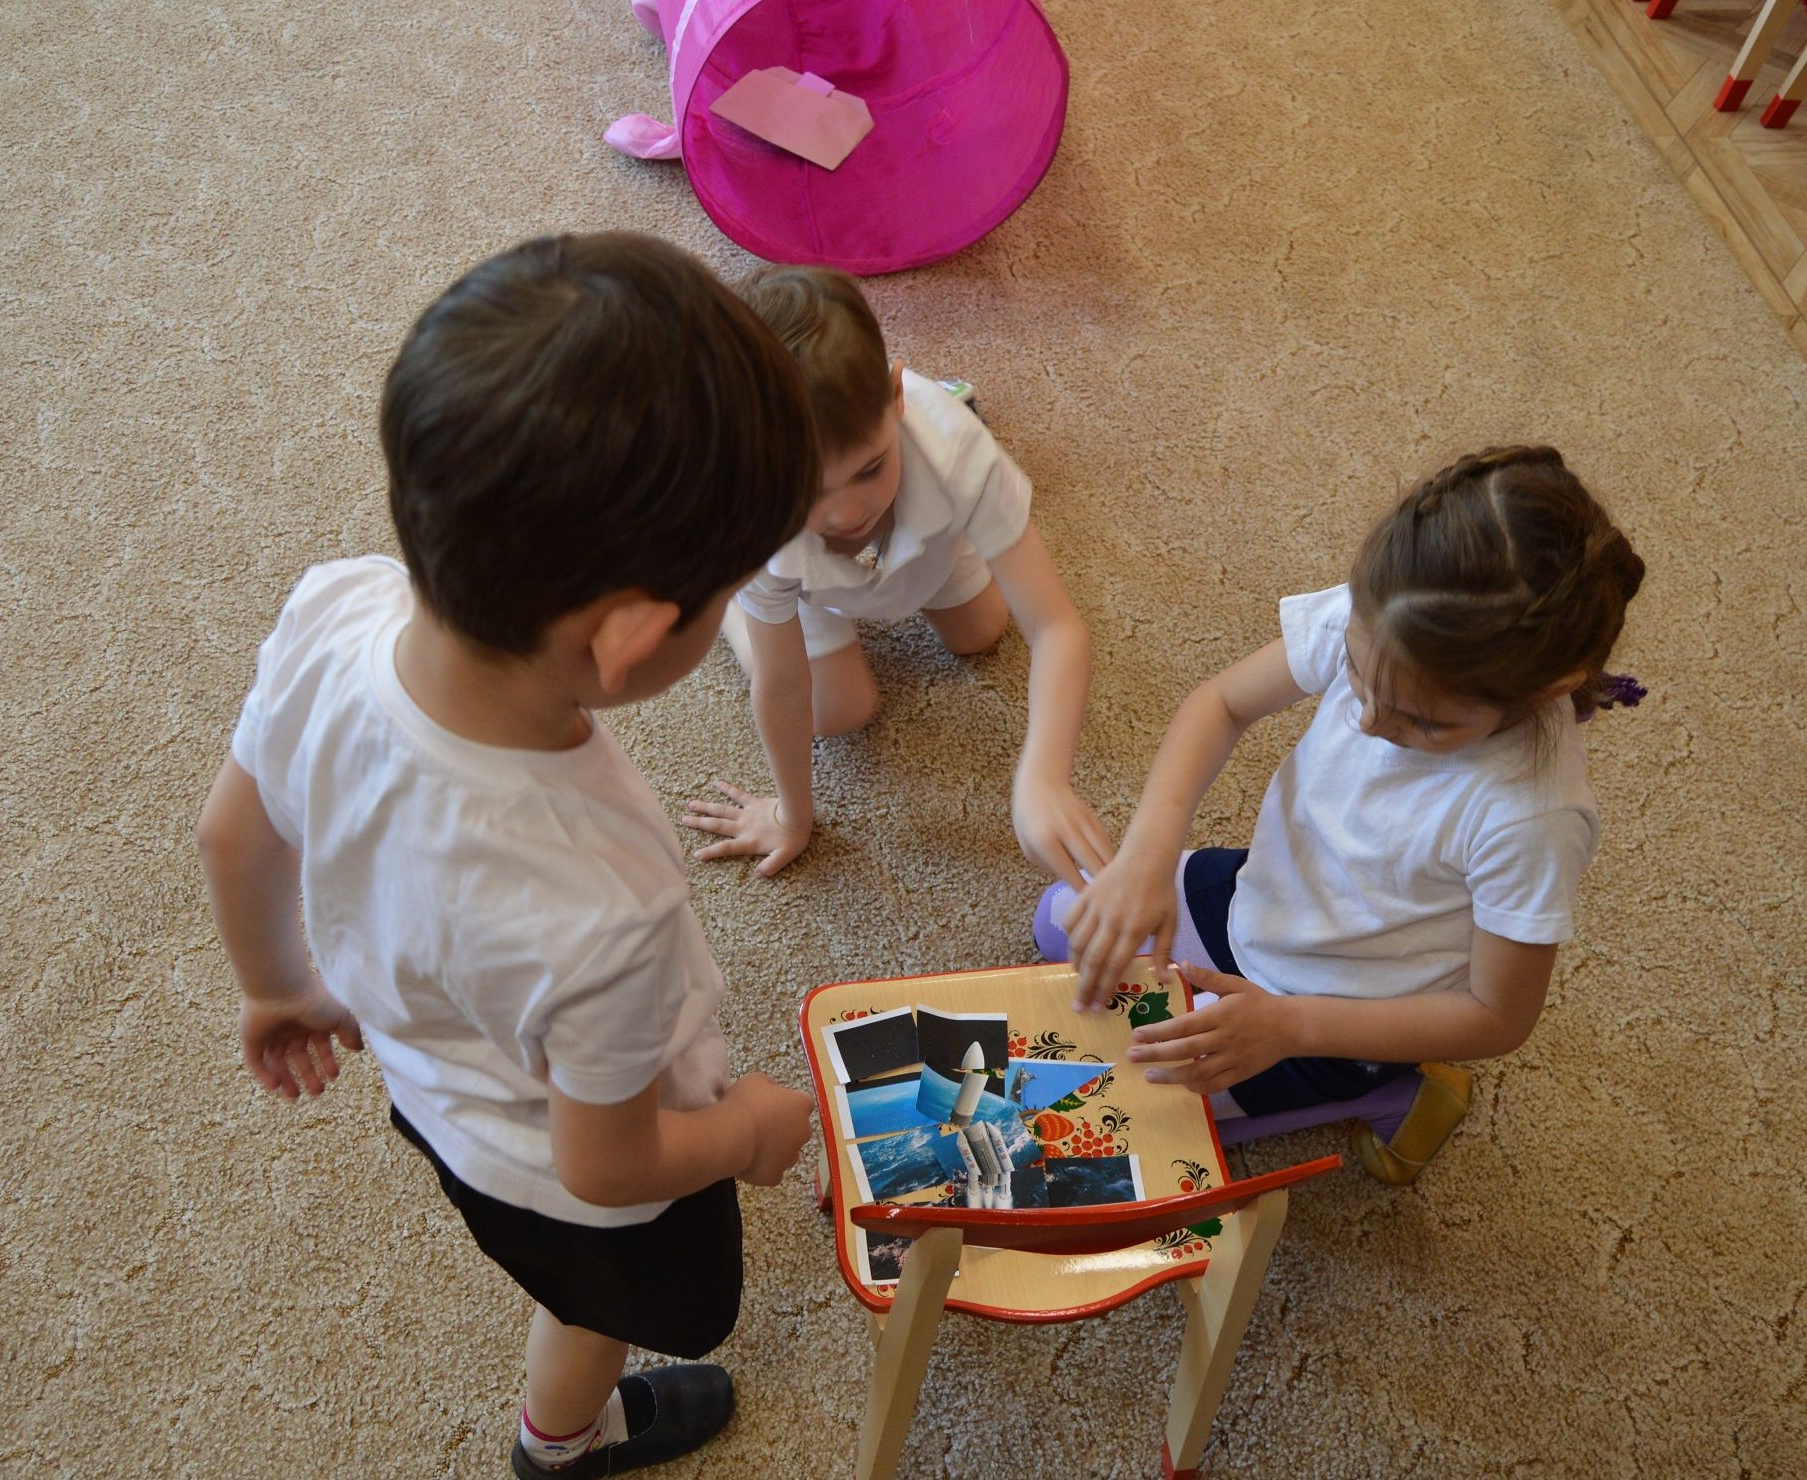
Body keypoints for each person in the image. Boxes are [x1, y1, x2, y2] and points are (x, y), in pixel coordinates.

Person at [194, 232, 820, 1478]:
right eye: (727, 595)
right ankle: (559, 1442)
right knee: (598, 1302)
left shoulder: (334, 608)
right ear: (630, 640)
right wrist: (748, 1130)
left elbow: (232, 832)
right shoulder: (605, 902)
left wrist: (276, 986)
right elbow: (610, 1159)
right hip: (574, 1175)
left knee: (560, 1276)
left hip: (436, 1095)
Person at [1049, 447, 1646, 1183]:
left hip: (1338, 1015)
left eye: (1424, 722)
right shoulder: (1388, 616)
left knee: (1111, 1114)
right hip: (1261, 897)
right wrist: (1146, 852)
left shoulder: (1531, 816)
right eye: (1357, 679)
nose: (1367, 722)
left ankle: (1396, 1093)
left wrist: (1289, 1026)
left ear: (1545, 690)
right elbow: (1221, 703)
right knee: (1063, 918)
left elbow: (1498, 1016)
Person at [680, 265, 1111, 885]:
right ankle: (732, 600)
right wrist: (791, 817)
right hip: (799, 579)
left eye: (868, 468)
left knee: (983, 630)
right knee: (838, 710)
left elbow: (1056, 628)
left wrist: (1044, 775)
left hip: (931, 534)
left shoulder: (959, 451)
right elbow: (781, 683)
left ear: (897, 396)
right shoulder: (754, 514)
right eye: (809, 492)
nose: (846, 513)